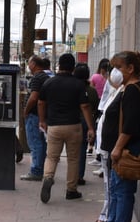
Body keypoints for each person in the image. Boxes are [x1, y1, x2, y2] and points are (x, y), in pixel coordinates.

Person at [100, 51, 140, 222]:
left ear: (131, 68)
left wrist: (118, 148)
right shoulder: (127, 88)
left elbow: (130, 125)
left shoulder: (133, 91)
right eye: (114, 67)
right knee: (117, 191)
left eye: (118, 67)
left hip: (127, 151)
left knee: (122, 193)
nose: (115, 71)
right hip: (123, 150)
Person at [38, 53, 95, 203]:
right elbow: (84, 106)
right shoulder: (78, 84)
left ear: (59, 66)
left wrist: (42, 120)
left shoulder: (49, 83)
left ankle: (48, 177)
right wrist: (90, 127)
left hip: (54, 126)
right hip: (73, 126)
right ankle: (71, 190)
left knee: (51, 157)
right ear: (72, 67)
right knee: (73, 159)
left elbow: (41, 103)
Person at [95, 68, 124, 222]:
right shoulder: (115, 92)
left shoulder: (121, 93)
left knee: (113, 186)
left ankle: (107, 214)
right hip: (107, 147)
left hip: (112, 147)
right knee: (110, 185)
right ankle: (107, 213)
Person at [20, 55, 49, 181]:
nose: (28, 65)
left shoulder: (37, 78)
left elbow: (34, 97)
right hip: (40, 115)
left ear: (34, 64)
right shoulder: (45, 77)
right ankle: (39, 168)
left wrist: (26, 111)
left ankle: (36, 170)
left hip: (34, 115)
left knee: (35, 143)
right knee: (40, 143)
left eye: (29, 62)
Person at [73, 63, 99, 186]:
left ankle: (72, 175)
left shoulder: (73, 88)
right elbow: (95, 107)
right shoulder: (92, 91)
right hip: (87, 122)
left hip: (72, 121)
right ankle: (79, 176)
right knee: (82, 148)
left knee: (72, 150)